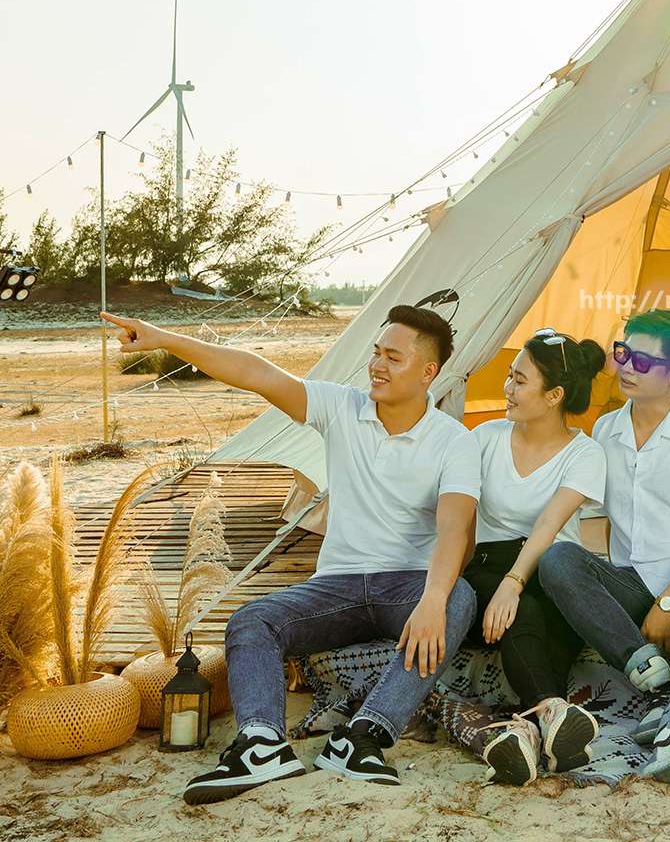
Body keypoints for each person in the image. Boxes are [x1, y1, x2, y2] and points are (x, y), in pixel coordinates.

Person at [99, 305, 481, 805]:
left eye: (393, 357)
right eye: (376, 353)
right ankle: (262, 744)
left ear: (428, 371)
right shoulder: (342, 407)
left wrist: (432, 599)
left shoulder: (454, 441)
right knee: (251, 621)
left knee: (457, 597)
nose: (376, 366)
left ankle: (363, 737)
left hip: (404, 586)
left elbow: (456, 527)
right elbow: (257, 373)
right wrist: (165, 338)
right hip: (337, 585)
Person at [540, 309, 670, 789]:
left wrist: (669, 602)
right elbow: (603, 521)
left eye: (642, 360)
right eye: (623, 352)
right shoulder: (606, 429)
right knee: (558, 558)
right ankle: (650, 675)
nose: (626, 366)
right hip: (631, 582)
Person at [463, 327, 609, 786]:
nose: (507, 387)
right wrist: (507, 584)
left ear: (554, 395)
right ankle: (551, 712)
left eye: (519, 380)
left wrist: (517, 581)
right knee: (523, 613)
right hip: (489, 567)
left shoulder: (585, 453)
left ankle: (529, 732)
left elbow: (549, 524)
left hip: (551, 566)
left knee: (555, 612)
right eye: (510, 375)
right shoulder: (484, 438)